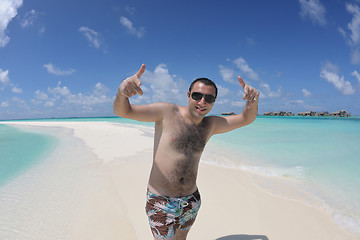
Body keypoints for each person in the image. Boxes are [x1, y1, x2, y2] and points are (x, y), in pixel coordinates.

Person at [113, 64, 259, 240]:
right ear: (188, 96)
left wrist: (252, 101)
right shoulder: (167, 113)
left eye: (209, 98)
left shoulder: (210, 125)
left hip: (191, 200)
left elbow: (246, 118)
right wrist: (122, 92)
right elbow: (123, 110)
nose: (202, 102)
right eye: (197, 96)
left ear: (214, 101)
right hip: (161, 202)